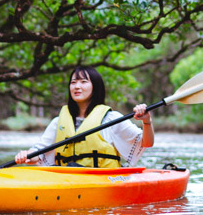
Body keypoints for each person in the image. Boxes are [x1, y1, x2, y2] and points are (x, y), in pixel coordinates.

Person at [14, 65, 154, 168]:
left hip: (102, 179)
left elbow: (146, 143)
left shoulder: (110, 119)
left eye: (83, 82)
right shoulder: (58, 122)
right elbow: (39, 151)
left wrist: (147, 121)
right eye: (73, 82)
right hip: (69, 179)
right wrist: (27, 155)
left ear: (95, 87)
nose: (77, 86)